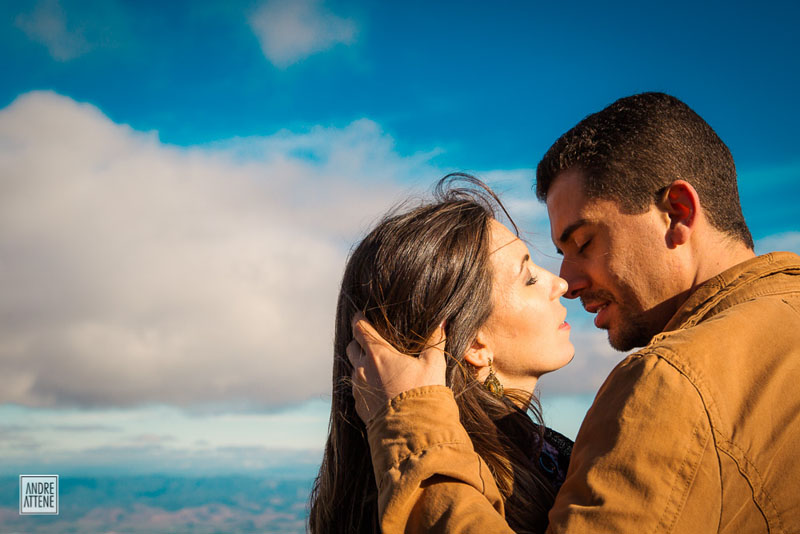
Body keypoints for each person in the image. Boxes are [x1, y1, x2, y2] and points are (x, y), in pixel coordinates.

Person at [349, 92, 800, 533]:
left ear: (677, 213)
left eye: (584, 242)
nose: (566, 282)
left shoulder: (673, 383)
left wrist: (409, 426)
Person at [308, 175, 576, 534]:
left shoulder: (531, 458)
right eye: (528, 278)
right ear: (474, 345)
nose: (560, 284)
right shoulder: (493, 491)